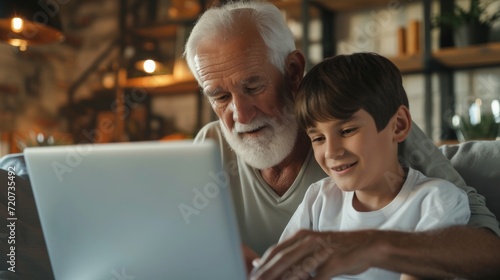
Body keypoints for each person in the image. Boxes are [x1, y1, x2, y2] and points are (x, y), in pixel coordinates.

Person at [184, 0, 500, 278]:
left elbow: (488, 249)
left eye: (253, 88)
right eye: (220, 96)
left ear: (293, 71)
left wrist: (375, 243)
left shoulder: (375, 122)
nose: (241, 114)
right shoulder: (207, 150)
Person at [254, 52, 471, 280]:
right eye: (318, 138)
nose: (331, 152)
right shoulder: (318, 199)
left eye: (347, 131)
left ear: (398, 126)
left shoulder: (436, 200)